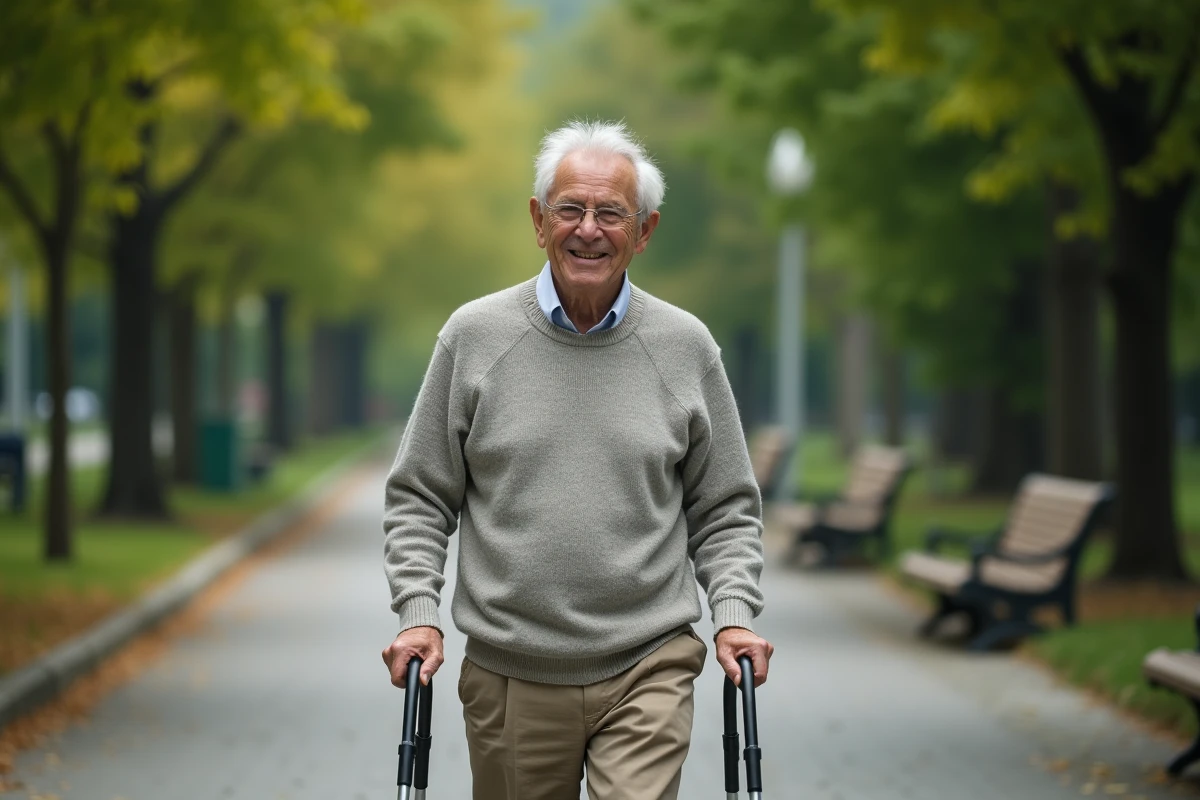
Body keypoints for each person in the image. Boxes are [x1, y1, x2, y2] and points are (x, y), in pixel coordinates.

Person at [381, 119, 772, 800]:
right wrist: (419, 611)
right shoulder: (474, 338)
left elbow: (726, 506)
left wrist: (733, 612)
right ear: (539, 221)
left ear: (644, 231)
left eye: (611, 213)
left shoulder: (685, 348)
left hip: (648, 661)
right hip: (511, 671)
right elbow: (420, 493)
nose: (588, 229)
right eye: (570, 209)